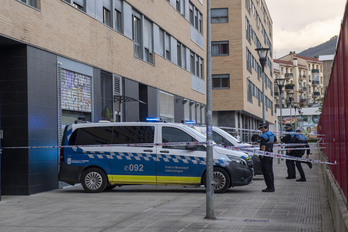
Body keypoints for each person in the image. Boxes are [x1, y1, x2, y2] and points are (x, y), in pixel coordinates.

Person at [258, 123, 277, 192]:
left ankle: (269, 187)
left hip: (265, 155)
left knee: (266, 171)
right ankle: (272, 186)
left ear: (263, 127)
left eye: (261, 128)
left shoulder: (264, 136)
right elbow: (276, 141)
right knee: (270, 171)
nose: (260, 130)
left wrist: (262, 155)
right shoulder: (271, 134)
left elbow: (263, 146)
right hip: (270, 153)